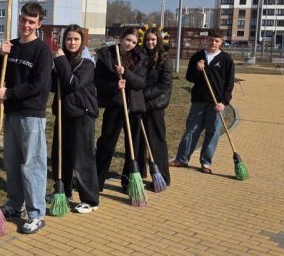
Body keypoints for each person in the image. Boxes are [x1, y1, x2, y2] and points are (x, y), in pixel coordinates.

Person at [0, 2, 52, 234]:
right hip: (11, 112)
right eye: (23, 20)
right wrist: (1, 56)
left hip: (31, 114)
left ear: (39, 24)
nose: (26, 25)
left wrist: (10, 93)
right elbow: (0, 75)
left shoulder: (42, 51)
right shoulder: (13, 46)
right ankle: (14, 204)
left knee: (32, 164)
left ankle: (36, 213)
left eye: (31, 22)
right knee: (12, 162)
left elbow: (39, 85)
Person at [51, 25, 99, 214]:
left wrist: (60, 61)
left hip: (82, 114)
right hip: (64, 113)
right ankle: (63, 191)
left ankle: (90, 199)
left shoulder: (86, 63)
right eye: (69, 39)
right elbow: (54, 85)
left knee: (82, 158)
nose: (72, 42)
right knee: (61, 156)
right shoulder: (63, 60)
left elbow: (72, 83)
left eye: (76, 39)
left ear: (82, 41)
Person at [172, 29, 235, 173]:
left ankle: (205, 162)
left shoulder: (226, 59)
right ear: (207, 40)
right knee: (192, 129)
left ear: (221, 42)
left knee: (213, 132)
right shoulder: (198, 56)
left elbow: (229, 84)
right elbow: (190, 77)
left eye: (217, 41)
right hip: (199, 100)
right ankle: (182, 159)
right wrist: (197, 69)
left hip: (217, 103)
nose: (213, 43)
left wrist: (224, 102)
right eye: (211, 40)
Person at [94, 27, 146, 192]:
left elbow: (140, 83)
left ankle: (128, 181)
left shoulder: (139, 57)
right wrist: (114, 85)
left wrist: (126, 73)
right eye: (128, 40)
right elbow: (97, 81)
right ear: (121, 38)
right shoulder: (107, 55)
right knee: (107, 144)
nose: (130, 44)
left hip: (133, 107)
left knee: (133, 147)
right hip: (115, 106)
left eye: (134, 42)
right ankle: (97, 181)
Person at [138, 27, 173, 188]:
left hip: (155, 106)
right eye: (147, 39)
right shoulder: (141, 56)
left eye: (153, 39)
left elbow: (164, 84)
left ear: (158, 40)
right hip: (140, 105)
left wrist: (142, 95)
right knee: (139, 141)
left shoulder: (165, 59)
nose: (150, 42)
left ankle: (163, 177)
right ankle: (139, 173)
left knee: (156, 141)